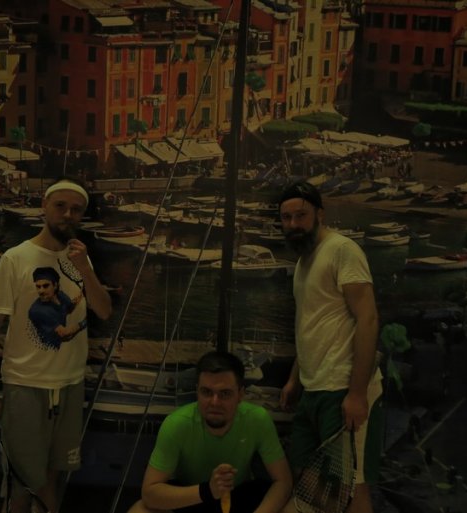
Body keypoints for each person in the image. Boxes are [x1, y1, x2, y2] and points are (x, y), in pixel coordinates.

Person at [0, 177, 112, 513]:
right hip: (26, 386)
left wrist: (85, 269)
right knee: (24, 483)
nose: (68, 214)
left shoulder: (80, 259)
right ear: (44, 207)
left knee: (54, 476)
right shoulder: (16, 258)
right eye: (60, 206)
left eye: (76, 209)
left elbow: (104, 310)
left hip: (70, 385)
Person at [277, 181, 383, 513]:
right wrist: (294, 379)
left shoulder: (342, 250)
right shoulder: (303, 263)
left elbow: (368, 319)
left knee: (351, 488)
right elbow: (310, 327)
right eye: (286, 218)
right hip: (313, 389)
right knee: (305, 475)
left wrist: (357, 393)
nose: (293, 224)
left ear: (319, 214)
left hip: (342, 387)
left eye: (301, 215)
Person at [128, 351, 292, 513]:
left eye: (225, 394)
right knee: (139, 510)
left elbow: (283, 482)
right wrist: (208, 491)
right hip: (192, 498)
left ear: (240, 394)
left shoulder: (257, 419)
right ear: (197, 391)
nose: (214, 402)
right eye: (206, 392)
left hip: (238, 497)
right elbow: (149, 494)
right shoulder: (177, 424)